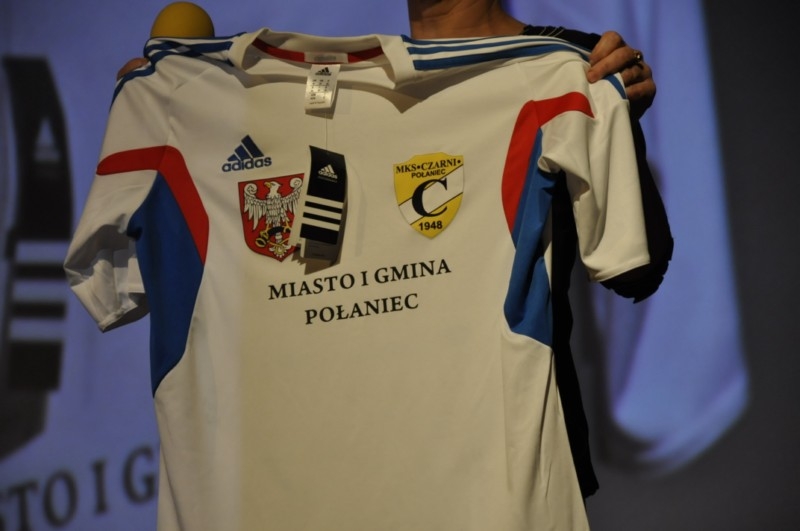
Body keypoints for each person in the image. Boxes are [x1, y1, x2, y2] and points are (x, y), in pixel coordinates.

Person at [69, 1, 670, 529]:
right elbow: (118, 283)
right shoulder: (222, 98)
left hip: (492, 481)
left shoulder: (567, 69)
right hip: (291, 489)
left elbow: (637, 269)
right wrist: (161, 100)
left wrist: (617, 124)